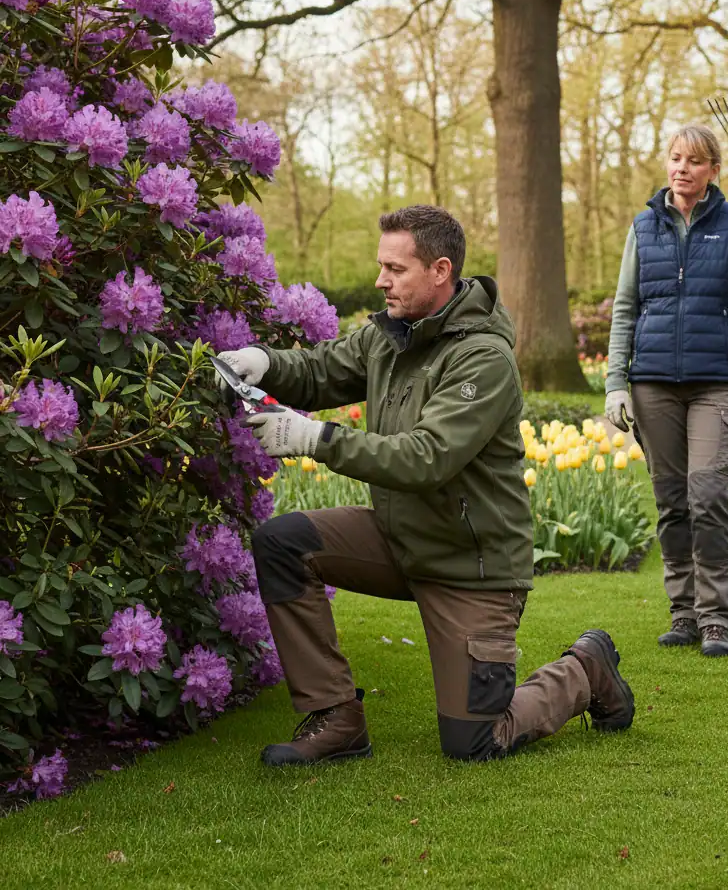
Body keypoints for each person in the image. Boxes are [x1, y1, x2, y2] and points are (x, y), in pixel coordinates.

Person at [218, 205, 634, 766]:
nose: (380, 280)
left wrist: (314, 438)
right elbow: (320, 371)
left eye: (395, 269)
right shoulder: (389, 336)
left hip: (471, 568)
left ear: (441, 271)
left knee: (475, 741)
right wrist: (262, 363)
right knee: (283, 542)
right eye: (381, 266)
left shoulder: (482, 358)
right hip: (402, 539)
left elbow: (426, 458)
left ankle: (585, 668)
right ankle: (336, 719)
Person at [603, 124, 728, 658]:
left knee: (708, 497)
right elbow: (625, 308)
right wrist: (616, 383)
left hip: (716, 381)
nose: (682, 168)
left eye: (693, 160)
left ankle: (715, 618)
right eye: (675, 158)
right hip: (653, 384)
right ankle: (683, 614)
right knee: (671, 503)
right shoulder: (643, 226)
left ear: (713, 169)